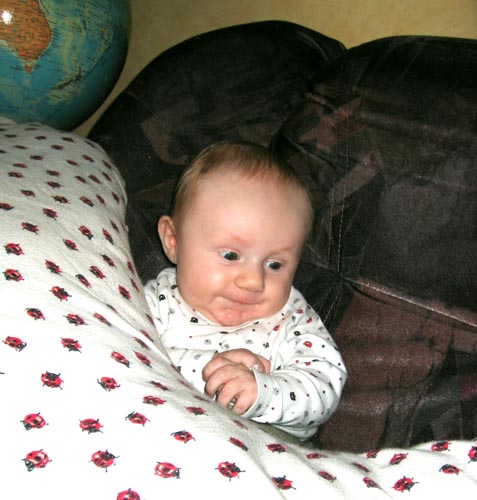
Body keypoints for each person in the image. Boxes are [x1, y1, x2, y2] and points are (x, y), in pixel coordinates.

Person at [144, 140, 346, 439]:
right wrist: (211, 370)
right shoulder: (156, 300)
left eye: (274, 264)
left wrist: (263, 392)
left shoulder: (292, 316)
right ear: (174, 241)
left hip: (265, 444)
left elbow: (325, 385)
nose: (253, 281)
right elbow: (127, 352)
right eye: (230, 255)